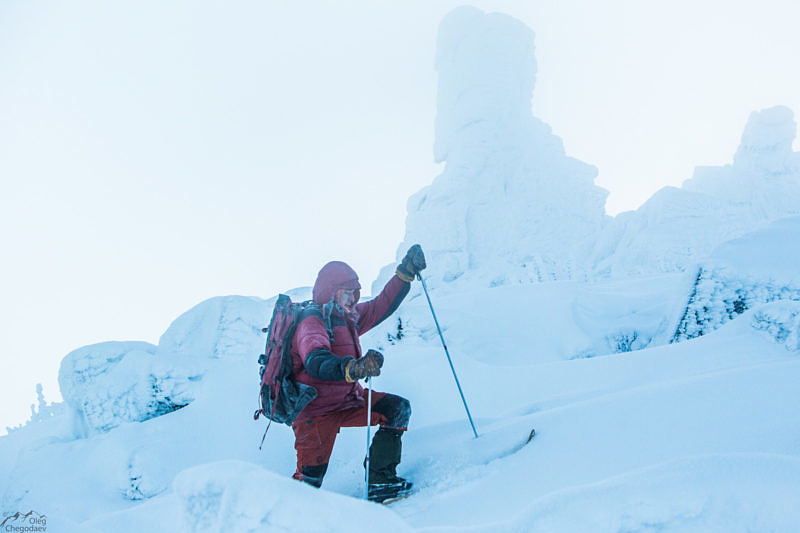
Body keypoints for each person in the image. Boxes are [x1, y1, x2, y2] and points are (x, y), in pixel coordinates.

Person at [289, 244, 426, 501]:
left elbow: (380, 306)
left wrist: (405, 273)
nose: (354, 299)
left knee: (397, 409)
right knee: (307, 486)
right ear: (331, 293)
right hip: (316, 414)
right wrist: (355, 368)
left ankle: (380, 482)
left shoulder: (348, 318)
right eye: (347, 293)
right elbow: (315, 360)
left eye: (355, 293)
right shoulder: (312, 321)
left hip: (349, 401)